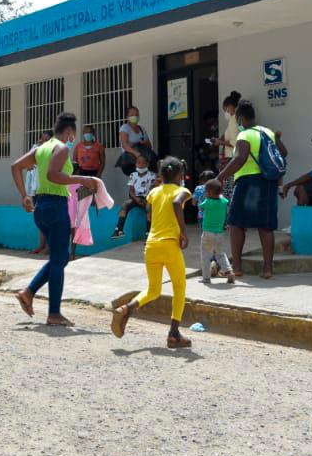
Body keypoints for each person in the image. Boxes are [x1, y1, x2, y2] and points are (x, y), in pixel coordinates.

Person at [11, 113, 99, 326]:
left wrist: (24, 195)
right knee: (60, 261)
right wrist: (82, 178)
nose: (73, 139)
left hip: (41, 207)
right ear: (69, 132)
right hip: (56, 206)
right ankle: (54, 313)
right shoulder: (62, 148)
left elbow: (16, 166)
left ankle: (29, 293)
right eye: (73, 135)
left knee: (59, 258)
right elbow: (53, 175)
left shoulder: (41, 148)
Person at [109, 156, 192, 349]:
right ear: (180, 176)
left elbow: (158, 202)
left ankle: (126, 308)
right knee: (179, 287)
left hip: (151, 245)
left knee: (154, 290)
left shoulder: (154, 192)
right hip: (170, 245)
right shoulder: (183, 191)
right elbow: (177, 203)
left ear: (161, 176)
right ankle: (174, 334)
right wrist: (184, 233)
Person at [215, 100, 287, 280]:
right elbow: (283, 152)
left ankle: (237, 267)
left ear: (239, 118)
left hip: (248, 182)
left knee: (237, 223)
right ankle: (268, 269)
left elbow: (239, 159)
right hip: (269, 181)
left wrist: (220, 177)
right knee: (266, 226)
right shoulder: (268, 132)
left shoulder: (244, 134)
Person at [197, 178, 236, 284]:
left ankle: (206, 278)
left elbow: (201, 207)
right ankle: (229, 271)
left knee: (205, 254)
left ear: (208, 192)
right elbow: (225, 200)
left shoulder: (207, 202)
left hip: (207, 233)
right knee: (220, 254)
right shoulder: (224, 201)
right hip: (219, 233)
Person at [112, 154, 155, 238]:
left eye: (143, 163)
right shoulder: (133, 175)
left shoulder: (152, 175)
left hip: (148, 198)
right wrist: (136, 199)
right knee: (125, 205)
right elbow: (131, 190)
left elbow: (152, 190)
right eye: (139, 163)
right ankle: (119, 230)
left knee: (149, 208)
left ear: (147, 164)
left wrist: (147, 199)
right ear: (136, 164)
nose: (141, 165)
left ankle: (148, 233)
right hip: (136, 198)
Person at [215, 91, 242, 197]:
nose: (225, 112)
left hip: (231, 160)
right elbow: (227, 135)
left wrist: (220, 142)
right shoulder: (233, 119)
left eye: (226, 109)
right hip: (230, 159)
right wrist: (219, 139)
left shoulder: (234, 119)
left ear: (231, 106)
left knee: (229, 191)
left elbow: (234, 142)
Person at [117, 106, 153, 175]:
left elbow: (149, 146)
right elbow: (125, 145)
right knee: (135, 178)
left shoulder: (142, 129)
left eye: (137, 114)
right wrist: (137, 154)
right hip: (130, 160)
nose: (135, 116)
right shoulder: (124, 127)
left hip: (142, 160)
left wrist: (144, 143)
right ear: (127, 117)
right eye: (132, 115)